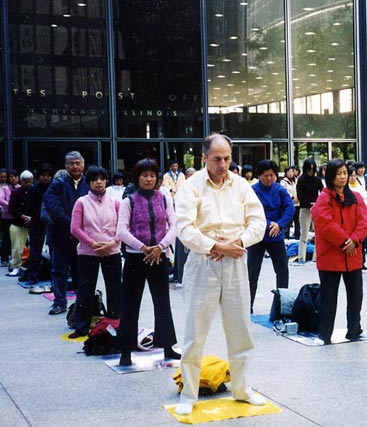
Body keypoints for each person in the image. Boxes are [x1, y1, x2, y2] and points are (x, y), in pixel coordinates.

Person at [174, 134, 267, 415]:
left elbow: (258, 223)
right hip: (204, 261)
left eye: (227, 158)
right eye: (217, 159)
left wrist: (237, 243)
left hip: (235, 258)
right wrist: (214, 246)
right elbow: (184, 228)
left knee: (241, 329)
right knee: (195, 331)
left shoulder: (241, 185)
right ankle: (189, 393)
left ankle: (242, 388)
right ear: (204, 158)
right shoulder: (191, 186)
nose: (223, 164)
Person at [116, 159, 179, 366]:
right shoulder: (129, 201)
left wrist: (161, 246)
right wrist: (143, 247)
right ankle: (126, 351)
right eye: (144, 175)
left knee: (162, 303)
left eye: (152, 175)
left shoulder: (165, 199)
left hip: (159, 256)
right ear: (137, 178)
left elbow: (174, 225)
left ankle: (168, 347)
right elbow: (121, 231)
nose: (149, 179)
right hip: (136, 257)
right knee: (130, 304)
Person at [311, 159, 367, 345]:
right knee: (328, 298)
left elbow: (364, 220)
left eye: (345, 173)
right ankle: (324, 334)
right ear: (330, 176)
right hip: (331, 256)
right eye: (338, 174)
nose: (343, 177)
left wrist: (355, 240)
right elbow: (325, 224)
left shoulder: (356, 197)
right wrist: (346, 241)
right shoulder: (324, 198)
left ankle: (354, 330)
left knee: (356, 296)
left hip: (353, 256)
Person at [69, 166, 121, 337]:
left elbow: (123, 227)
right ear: (89, 182)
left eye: (102, 179)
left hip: (111, 251)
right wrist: (92, 243)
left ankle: (115, 324)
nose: (99, 182)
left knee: (114, 289)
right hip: (87, 252)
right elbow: (75, 228)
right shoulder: (81, 202)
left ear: (106, 181)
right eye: (94, 179)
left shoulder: (115, 202)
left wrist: (112, 243)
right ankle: (81, 326)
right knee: (85, 289)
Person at [44, 152, 89, 315]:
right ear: (66, 166)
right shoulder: (58, 184)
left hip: (84, 236)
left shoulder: (89, 182)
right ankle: (59, 302)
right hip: (61, 234)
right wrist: (72, 226)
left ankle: (82, 304)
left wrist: (80, 228)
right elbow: (53, 207)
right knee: (59, 270)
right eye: (71, 163)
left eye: (78, 163)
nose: (75, 166)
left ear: (83, 164)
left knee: (81, 271)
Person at [247, 160, 295, 311]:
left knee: (282, 271)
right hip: (257, 236)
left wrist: (280, 224)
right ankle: (247, 306)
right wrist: (269, 224)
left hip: (276, 235)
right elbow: (251, 212)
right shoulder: (252, 190)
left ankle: (282, 307)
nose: (269, 179)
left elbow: (290, 207)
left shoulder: (280, 189)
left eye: (272, 176)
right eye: (265, 176)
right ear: (259, 175)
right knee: (252, 273)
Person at [24, 165, 52, 287]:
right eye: (43, 175)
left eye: (48, 175)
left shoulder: (54, 188)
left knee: (54, 250)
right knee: (35, 250)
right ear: (38, 176)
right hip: (36, 222)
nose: (45, 178)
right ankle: (33, 276)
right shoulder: (33, 189)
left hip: (52, 222)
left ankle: (54, 276)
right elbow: (28, 206)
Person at [296, 157, 324, 264]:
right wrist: (309, 204)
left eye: (313, 169)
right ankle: (301, 257)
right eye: (309, 169)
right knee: (304, 233)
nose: (311, 171)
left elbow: (323, 192)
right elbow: (300, 195)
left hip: (316, 208)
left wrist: (318, 203)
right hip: (305, 208)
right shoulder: (301, 180)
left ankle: (316, 257)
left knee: (318, 234)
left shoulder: (317, 180)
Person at [7, 170, 34, 277]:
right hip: (18, 223)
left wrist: (31, 218)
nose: (28, 184)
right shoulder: (16, 192)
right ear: (21, 181)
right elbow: (11, 208)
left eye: (30, 182)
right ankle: (15, 266)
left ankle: (31, 267)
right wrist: (23, 216)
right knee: (17, 248)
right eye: (26, 182)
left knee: (36, 248)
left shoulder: (34, 191)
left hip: (33, 222)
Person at [0, 169, 19, 266]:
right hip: (7, 216)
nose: (13, 178)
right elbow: (1, 199)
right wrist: (10, 205)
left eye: (15, 176)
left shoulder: (20, 187)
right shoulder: (5, 188)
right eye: (11, 177)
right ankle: (4, 258)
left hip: (17, 216)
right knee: (6, 237)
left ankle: (17, 257)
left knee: (17, 238)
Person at [280, 165, 300, 239]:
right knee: (288, 219)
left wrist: (298, 197)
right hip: (289, 203)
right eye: (289, 172)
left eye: (292, 171)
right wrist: (292, 197)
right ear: (286, 173)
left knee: (297, 220)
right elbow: (284, 191)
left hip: (297, 203)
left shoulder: (296, 180)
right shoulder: (283, 182)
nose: (290, 173)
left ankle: (297, 234)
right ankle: (286, 234)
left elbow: (299, 189)